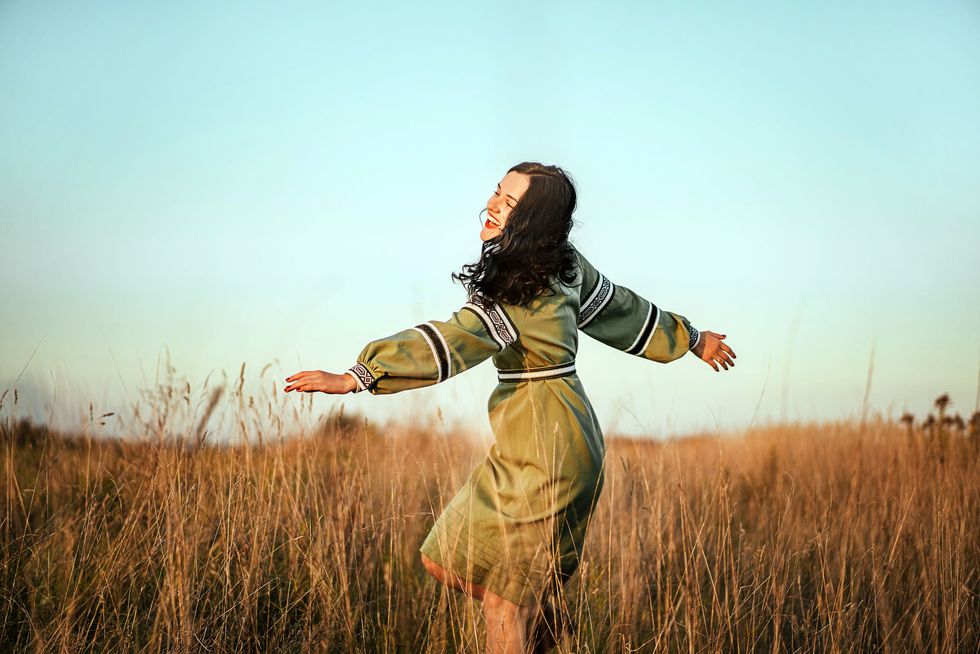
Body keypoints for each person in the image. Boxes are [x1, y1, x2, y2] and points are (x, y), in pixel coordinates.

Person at [284, 162, 736, 653]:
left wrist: (359, 376)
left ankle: (533, 614)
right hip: (527, 439)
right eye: (498, 193)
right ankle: (543, 618)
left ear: (535, 221)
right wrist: (692, 339)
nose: (495, 205)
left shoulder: (533, 278)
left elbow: (457, 339)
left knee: (504, 604)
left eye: (511, 203)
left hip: (552, 446)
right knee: (446, 559)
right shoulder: (553, 265)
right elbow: (619, 308)